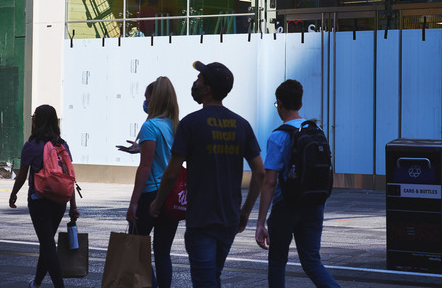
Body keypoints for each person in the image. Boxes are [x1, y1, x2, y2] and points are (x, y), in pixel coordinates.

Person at [151, 61, 265, 287]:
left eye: (199, 80)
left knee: (205, 281)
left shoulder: (191, 123)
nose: (195, 83)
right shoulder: (242, 125)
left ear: (207, 88)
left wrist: (157, 202)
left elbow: (173, 172)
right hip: (229, 217)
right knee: (213, 277)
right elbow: (260, 172)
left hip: (201, 219)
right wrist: (245, 211)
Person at [255, 80, 339, 288]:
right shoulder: (315, 130)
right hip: (314, 204)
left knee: (277, 262)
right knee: (311, 261)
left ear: (280, 104)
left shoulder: (278, 136)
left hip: (286, 207)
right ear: (300, 104)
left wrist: (260, 222)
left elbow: (270, 181)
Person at [9, 104, 80, 288]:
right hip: (59, 201)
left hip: (39, 201)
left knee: (47, 245)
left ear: (37, 121)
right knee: (46, 243)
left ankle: (59, 285)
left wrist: (13, 194)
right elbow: (69, 176)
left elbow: (23, 176)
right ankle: (37, 283)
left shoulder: (31, 145)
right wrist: (72, 205)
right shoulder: (62, 144)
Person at [127, 77, 180, 287]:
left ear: (154, 100)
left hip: (151, 193)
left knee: (136, 248)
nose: (144, 101)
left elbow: (146, 166)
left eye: (146, 97)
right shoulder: (174, 125)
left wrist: (133, 202)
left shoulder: (150, 126)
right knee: (162, 253)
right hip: (171, 194)